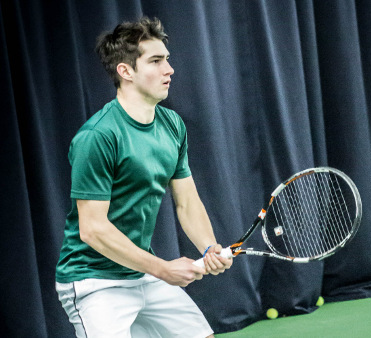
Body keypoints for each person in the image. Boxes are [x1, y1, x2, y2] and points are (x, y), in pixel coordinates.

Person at [55, 17, 232, 337]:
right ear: (126, 71)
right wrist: (163, 269)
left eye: (167, 59)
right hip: (94, 281)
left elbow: (187, 202)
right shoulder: (98, 136)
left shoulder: (172, 125)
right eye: (155, 61)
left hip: (142, 273)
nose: (169, 69)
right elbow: (93, 229)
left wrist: (209, 248)